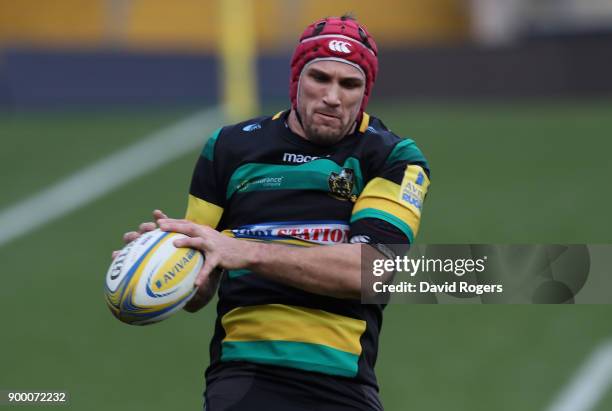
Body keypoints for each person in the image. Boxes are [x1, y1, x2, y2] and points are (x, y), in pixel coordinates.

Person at [119, 15, 430, 411]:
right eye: (320, 78)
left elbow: (372, 271)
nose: (332, 96)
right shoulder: (230, 147)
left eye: (349, 84)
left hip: (340, 382)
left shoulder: (391, 157)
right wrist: (158, 262)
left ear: (365, 92)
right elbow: (201, 286)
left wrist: (245, 250)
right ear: (296, 78)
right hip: (242, 378)